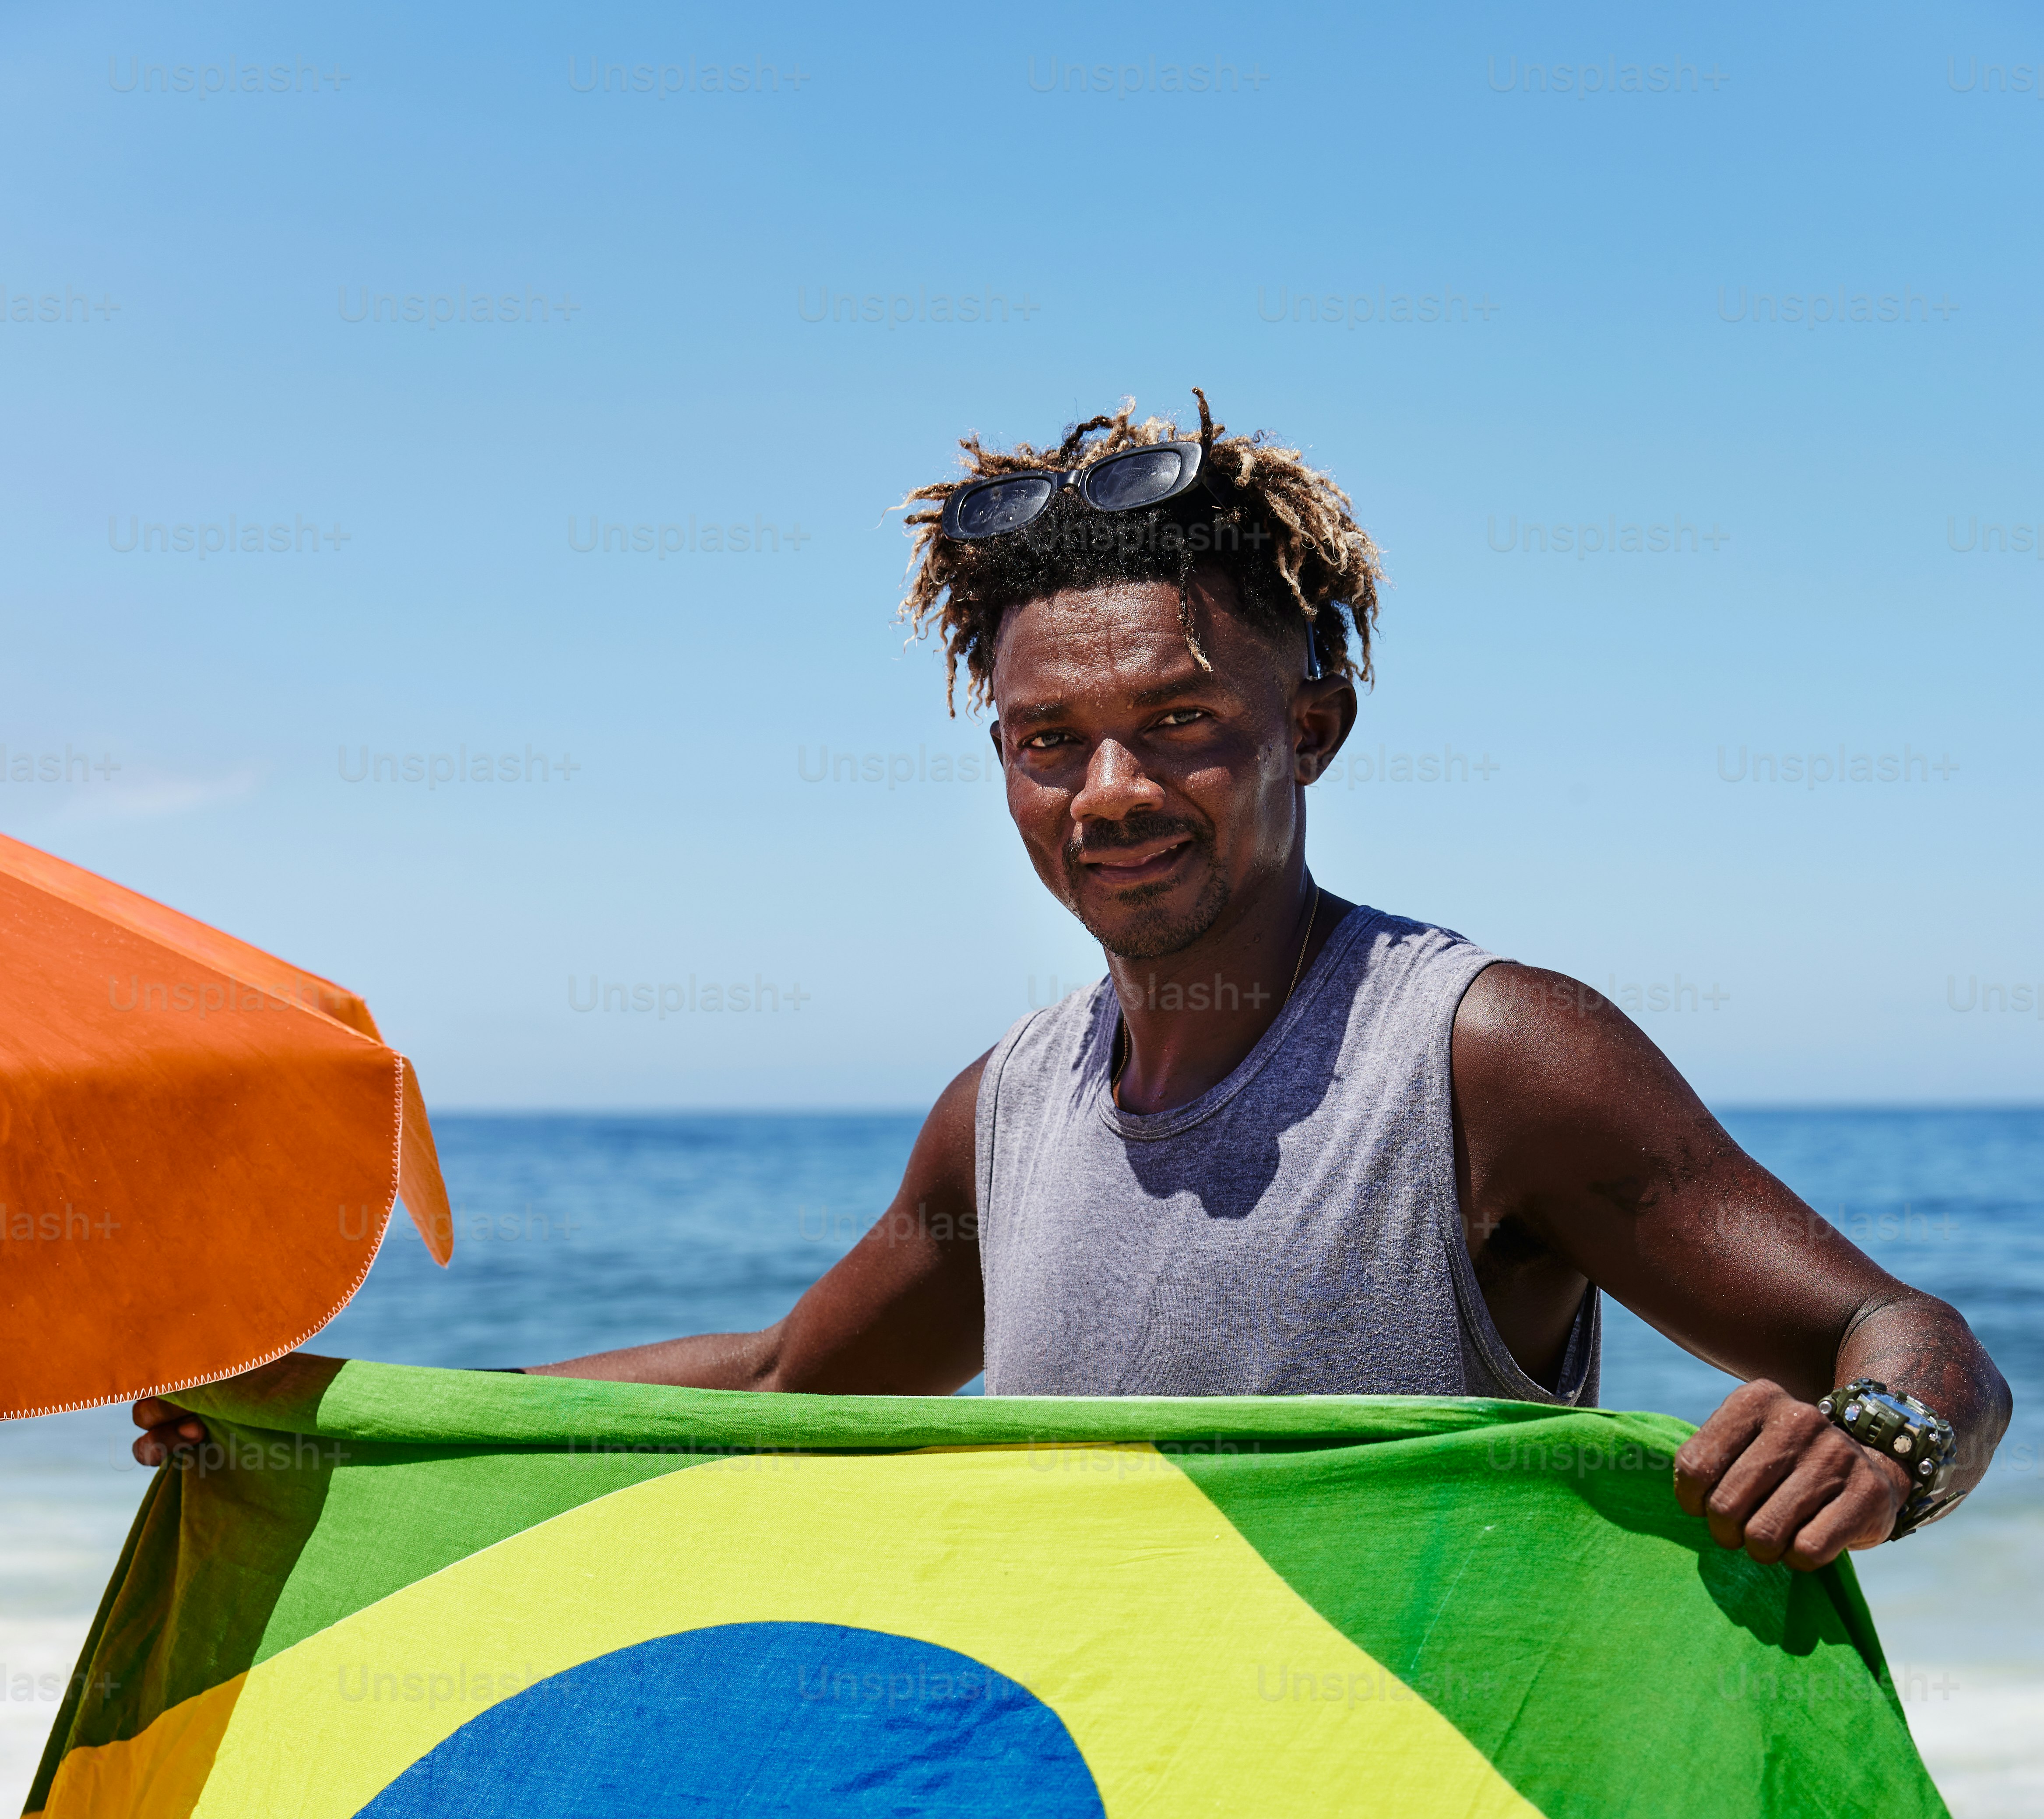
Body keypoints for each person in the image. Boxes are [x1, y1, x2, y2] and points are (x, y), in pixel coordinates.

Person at [137, 395, 2007, 1569]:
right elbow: (793, 1378)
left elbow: (1914, 1346)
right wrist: (346, 1406)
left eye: (1179, 725)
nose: (1109, 793)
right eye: (1047, 744)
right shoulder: (1007, 1106)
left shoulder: (1483, 1055)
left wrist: (1876, 1444)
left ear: (1315, 727)